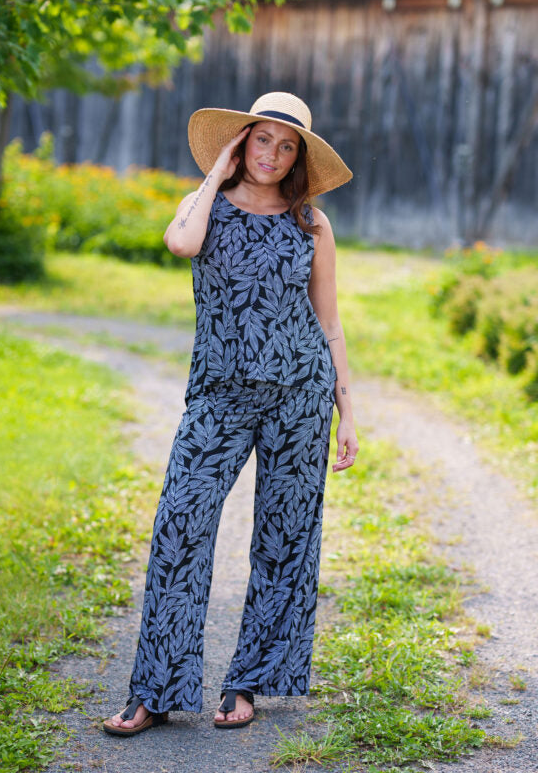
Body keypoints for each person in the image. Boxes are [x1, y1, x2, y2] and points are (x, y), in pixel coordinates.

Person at [103, 91, 359, 735]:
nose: (272, 154)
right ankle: (155, 689)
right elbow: (180, 244)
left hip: (300, 393)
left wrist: (346, 409)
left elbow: (329, 323)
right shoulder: (206, 207)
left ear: (299, 156)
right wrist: (214, 174)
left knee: (286, 538)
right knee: (181, 524)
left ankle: (249, 683)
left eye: (287, 145)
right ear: (241, 140)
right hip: (218, 395)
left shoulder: (312, 223)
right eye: (262, 139)